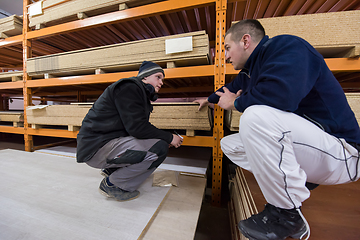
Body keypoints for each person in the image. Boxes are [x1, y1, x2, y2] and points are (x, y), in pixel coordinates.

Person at [196, 19, 360, 240]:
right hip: (315, 152)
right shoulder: (250, 71)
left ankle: (286, 216)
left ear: (245, 41)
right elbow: (228, 89)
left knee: (255, 117)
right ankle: (295, 190)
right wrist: (208, 99)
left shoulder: (288, 48)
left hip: (344, 153)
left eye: (226, 48)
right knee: (229, 144)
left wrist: (234, 104)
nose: (225, 56)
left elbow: (280, 96)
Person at [76, 61, 183, 202]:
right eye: (158, 77)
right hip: (97, 148)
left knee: (158, 142)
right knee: (159, 148)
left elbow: (137, 127)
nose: (161, 82)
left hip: (103, 144)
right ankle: (113, 184)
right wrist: (168, 138)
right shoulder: (129, 88)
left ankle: (112, 170)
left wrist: (164, 137)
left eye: (162, 79)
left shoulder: (137, 92)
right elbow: (138, 128)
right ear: (145, 77)